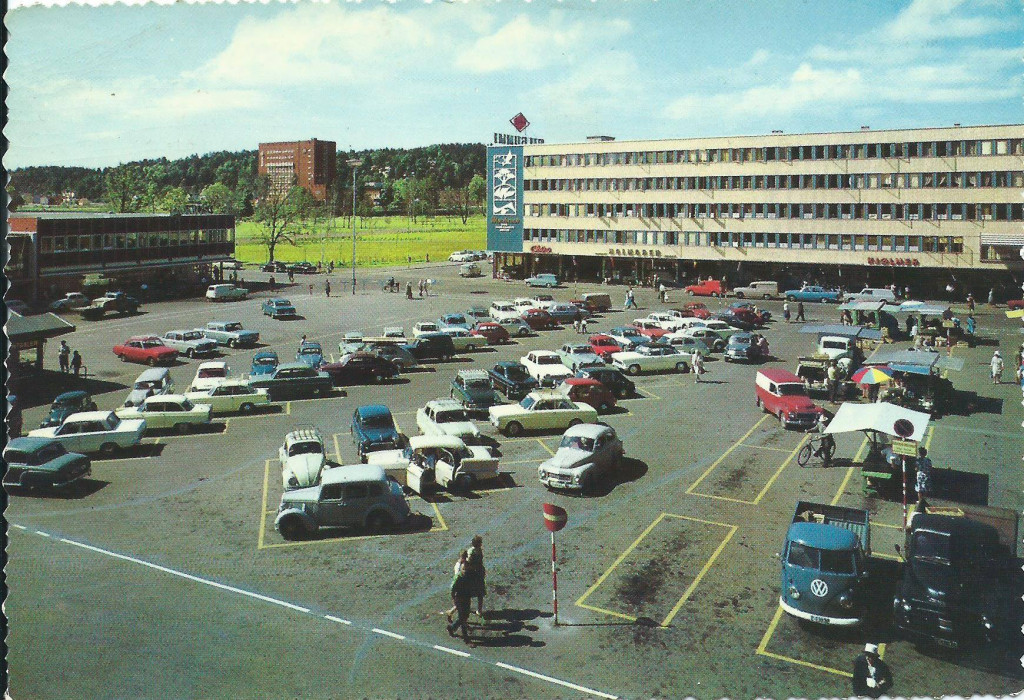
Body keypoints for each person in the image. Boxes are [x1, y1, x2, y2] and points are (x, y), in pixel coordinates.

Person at [446, 550, 472, 644]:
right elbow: (453, 589)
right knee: (463, 618)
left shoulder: (468, 575)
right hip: (460, 599)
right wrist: (454, 599)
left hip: (466, 598)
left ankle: (452, 627)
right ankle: (466, 639)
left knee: (464, 616)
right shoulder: (458, 577)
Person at [465, 535, 486, 617]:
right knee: (477, 592)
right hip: (475, 573)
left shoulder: (474, 551)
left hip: (476, 573)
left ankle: (473, 609)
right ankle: (478, 610)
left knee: (475, 592)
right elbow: (469, 563)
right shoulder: (474, 552)